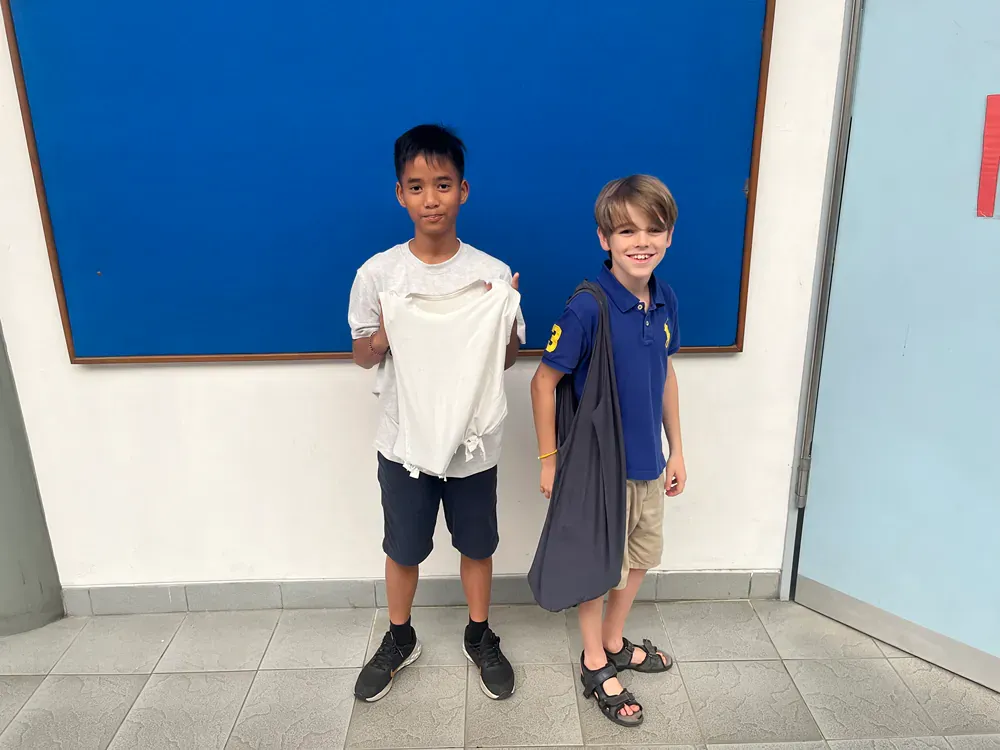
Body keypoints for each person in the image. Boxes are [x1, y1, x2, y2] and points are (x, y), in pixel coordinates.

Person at [347, 124, 523, 703]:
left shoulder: (492, 274)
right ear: (399, 193)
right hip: (404, 442)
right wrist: (390, 334)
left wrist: (502, 314)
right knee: (403, 547)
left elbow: (507, 358)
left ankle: (479, 633)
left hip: (472, 442)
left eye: (442, 185)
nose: (431, 199)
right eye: (417, 187)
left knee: (477, 544)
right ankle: (400, 637)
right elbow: (360, 352)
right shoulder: (379, 275)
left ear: (463, 191)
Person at [529, 174, 686, 727]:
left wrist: (678, 449)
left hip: (648, 463)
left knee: (640, 559)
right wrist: (550, 461)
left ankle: (615, 641)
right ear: (604, 239)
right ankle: (594, 661)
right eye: (626, 231)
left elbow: (665, 374)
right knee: (602, 568)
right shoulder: (587, 309)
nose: (640, 241)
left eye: (653, 228)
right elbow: (543, 384)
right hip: (602, 468)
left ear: (669, 236)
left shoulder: (664, 298)